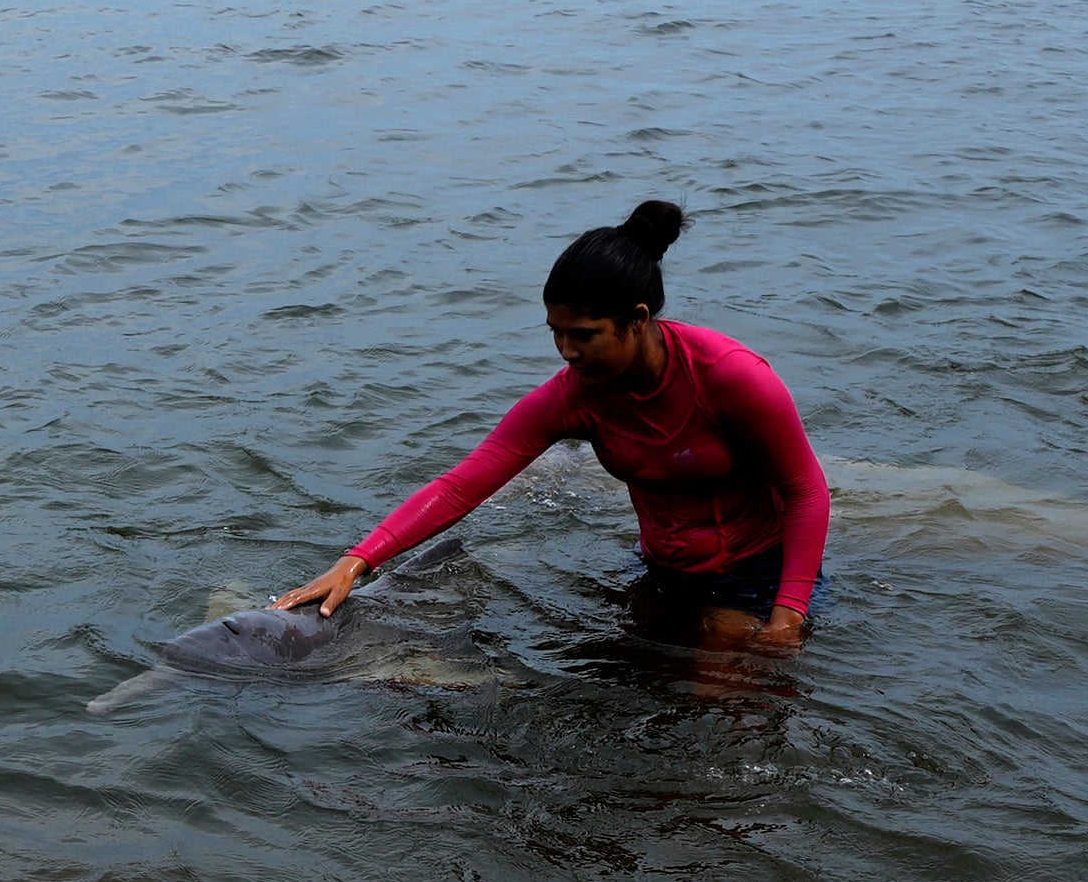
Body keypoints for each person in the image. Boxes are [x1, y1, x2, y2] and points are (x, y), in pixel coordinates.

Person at [272, 199, 829, 652]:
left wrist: (787, 615)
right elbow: (463, 483)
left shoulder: (730, 376)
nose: (567, 351)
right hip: (663, 570)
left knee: (718, 702)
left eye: (584, 334)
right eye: (555, 333)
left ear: (637, 320)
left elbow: (806, 492)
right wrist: (356, 560)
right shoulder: (573, 398)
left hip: (758, 573)